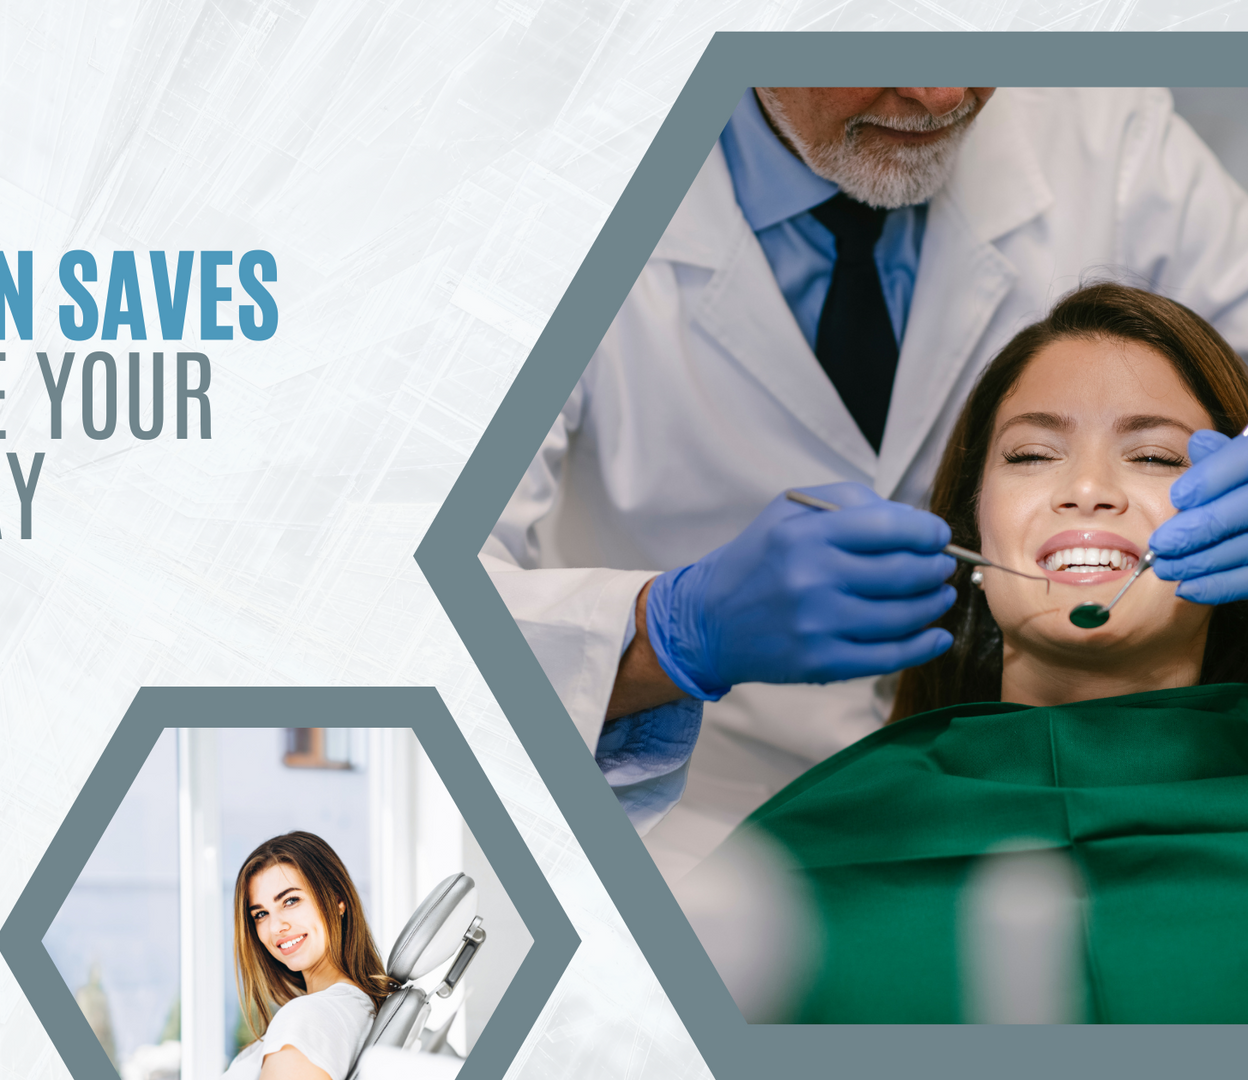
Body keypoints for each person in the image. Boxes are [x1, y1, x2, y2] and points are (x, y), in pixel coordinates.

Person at [484, 85, 1248, 877]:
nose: (939, 93)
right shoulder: (545, 193)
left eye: (1156, 457)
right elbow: (394, 602)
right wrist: (664, 633)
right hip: (695, 832)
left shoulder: (1103, 129)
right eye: (1029, 454)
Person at [734, 284, 1248, 1022]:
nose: (1088, 489)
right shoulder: (802, 855)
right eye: (1034, 453)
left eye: (1156, 456)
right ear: (970, 532)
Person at [222, 832, 395, 1080]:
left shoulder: (307, 1017)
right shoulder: (351, 1008)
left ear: (338, 899)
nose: (275, 927)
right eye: (260, 914)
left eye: (290, 901)